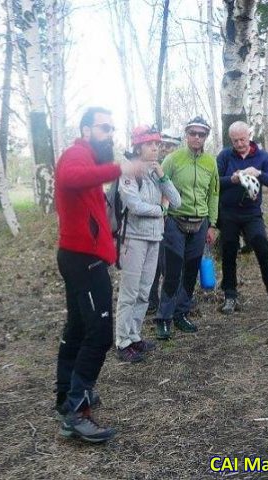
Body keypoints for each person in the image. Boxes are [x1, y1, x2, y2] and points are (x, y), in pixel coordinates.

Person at [54, 106, 146, 443]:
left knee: (78, 327)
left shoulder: (89, 159)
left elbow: (92, 209)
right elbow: (69, 179)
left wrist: (110, 243)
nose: (109, 134)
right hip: (83, 259)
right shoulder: (75, 155)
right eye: (103, 128)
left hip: (84, 255)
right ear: (86, 129)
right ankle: (76, 412)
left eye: (111, 128)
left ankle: (66, 396)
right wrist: (119, 168)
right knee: (99, 334)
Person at [217, 121, 268, 315]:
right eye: (235, 140)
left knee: (262, 247)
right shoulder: (225, 156)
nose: (239, 144)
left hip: (252, 212)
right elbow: (215, 183)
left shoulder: (262, 156)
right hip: (228, 212)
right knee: (228, 251)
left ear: (249, 135)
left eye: (243, 139)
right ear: (231, 140)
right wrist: (233, 179)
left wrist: (259, 173)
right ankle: (230, 296)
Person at [114, 125, 181, 362]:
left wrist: (163, 176)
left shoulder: (155, 171)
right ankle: (122, 341)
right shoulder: (128, 170)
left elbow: (177, 201)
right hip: (133, 238)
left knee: (144, 292)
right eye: (150, 143)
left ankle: (134, 336)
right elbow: (134, 205)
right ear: (138, 145)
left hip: (154, 238)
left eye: (157, 144)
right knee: (129, 292)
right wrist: (161, 209)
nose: (156, 147)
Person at [154, 116, 219, 340]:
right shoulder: (173, 159)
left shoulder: (211, 163)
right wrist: (161, 214)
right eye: (193, 133)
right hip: (174, 221)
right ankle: (163, 318)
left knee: (191, 272)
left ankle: (181, 314)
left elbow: (214, 193)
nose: (197, 137)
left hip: (200, 223)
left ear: (206, 137)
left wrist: (212, 224)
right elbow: (159, 185)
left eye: (201, 134)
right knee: (172, 272)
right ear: (186, 134)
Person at [147, 128, 183, 315]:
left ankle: (173, 298)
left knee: (173, 262)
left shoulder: (180, 164)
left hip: (176, 219)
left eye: (172, 146)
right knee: (155, 263)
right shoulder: (153, 165)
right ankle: (151, 299)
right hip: (157, 219)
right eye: (166, 145)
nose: (168, 149)